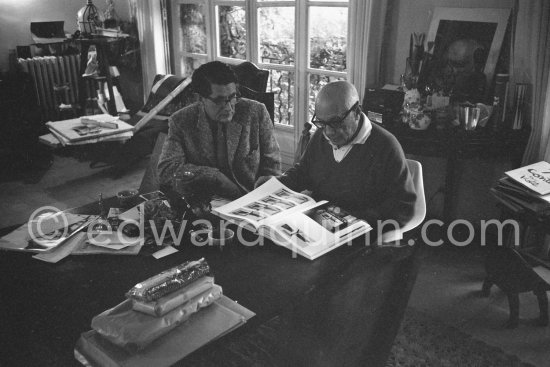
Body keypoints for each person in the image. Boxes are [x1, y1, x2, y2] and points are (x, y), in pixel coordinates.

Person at [258, 81, 416, 228]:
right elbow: (303, 172)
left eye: (336, 122)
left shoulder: (386, 146)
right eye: (321, 123)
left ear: (356, 112)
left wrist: (350, 221)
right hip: (319, 224)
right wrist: (276, 184)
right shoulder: (321, 136)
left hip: (360, 232)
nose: (328, 132)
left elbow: (402, 208)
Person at [158, 61, 281, 199]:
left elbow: (272, 165)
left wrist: (267, 185)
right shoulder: (182, 121)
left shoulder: (256, 112)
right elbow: (167, 171)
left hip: (250, 199)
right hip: (206, 201)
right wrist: (214, 176)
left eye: (232, 97)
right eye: (220, 100)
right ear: (200, 98)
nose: (228, 107)